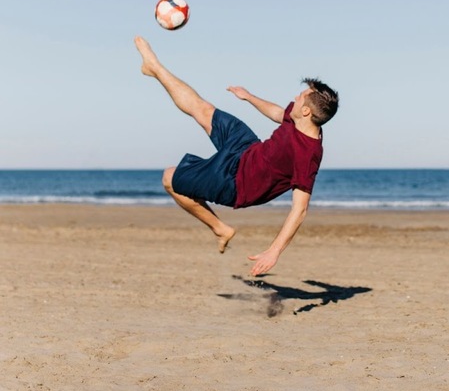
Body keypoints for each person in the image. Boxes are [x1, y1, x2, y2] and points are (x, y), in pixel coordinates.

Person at [134, 37, 339, 276]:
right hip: (247, 149)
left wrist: (274, 251)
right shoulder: (298, 118)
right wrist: (249, 97)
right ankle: (155, 67)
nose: (295, 98)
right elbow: (276, 112)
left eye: (300, 97)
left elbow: (300, 209)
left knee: (170, 178)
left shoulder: (308, 153)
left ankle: (220, 228)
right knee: (203, 109)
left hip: (238, 183)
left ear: (306, 111)